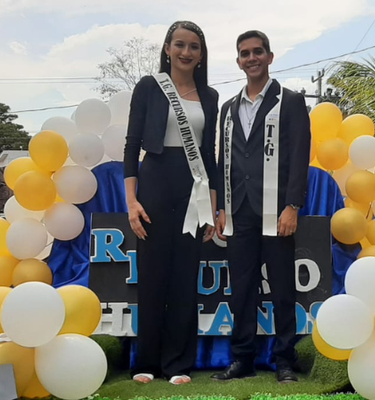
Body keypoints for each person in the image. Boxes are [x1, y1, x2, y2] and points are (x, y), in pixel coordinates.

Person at [123, 20, 219, 386]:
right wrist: (131, 201)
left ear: (201, 54)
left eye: (194, 46)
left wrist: (211, 206)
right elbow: (132, 146)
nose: (186, 52)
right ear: (167, 48)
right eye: (179, 44)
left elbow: (208, 154)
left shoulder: (208, 96)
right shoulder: (150, 87)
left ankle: (178, 364)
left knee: (184, 280)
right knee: (152, 278)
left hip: (193, 187)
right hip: (155, 182)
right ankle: (145, 362)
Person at [213, 30, 311, 383]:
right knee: (240, 290)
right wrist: (223, 206)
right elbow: (224, 161)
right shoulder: (228, 108)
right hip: (238, 212)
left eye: (257, 52)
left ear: (270, 57)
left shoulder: (291, 101)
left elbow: (300, 157)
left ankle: (284, 358)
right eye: (244, 53)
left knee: (283, 289)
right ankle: (242, 359)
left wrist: (293, 205)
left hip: (277, 212)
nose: (251, 58)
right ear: (238, 61)